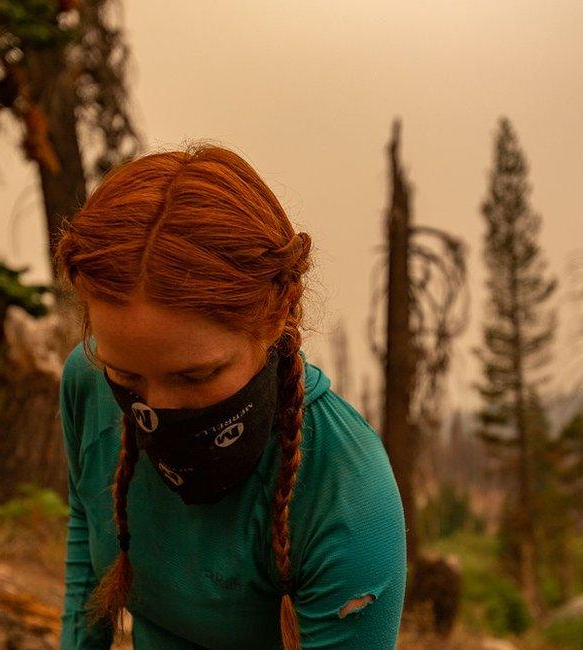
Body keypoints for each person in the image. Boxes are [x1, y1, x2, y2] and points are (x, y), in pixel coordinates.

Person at [52, 143, 407, 649]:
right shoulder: (87, 386)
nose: (158, 411)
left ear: (279, 313)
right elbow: (88, 542)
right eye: (127, 379)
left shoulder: (346, 493)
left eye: (196, 377)